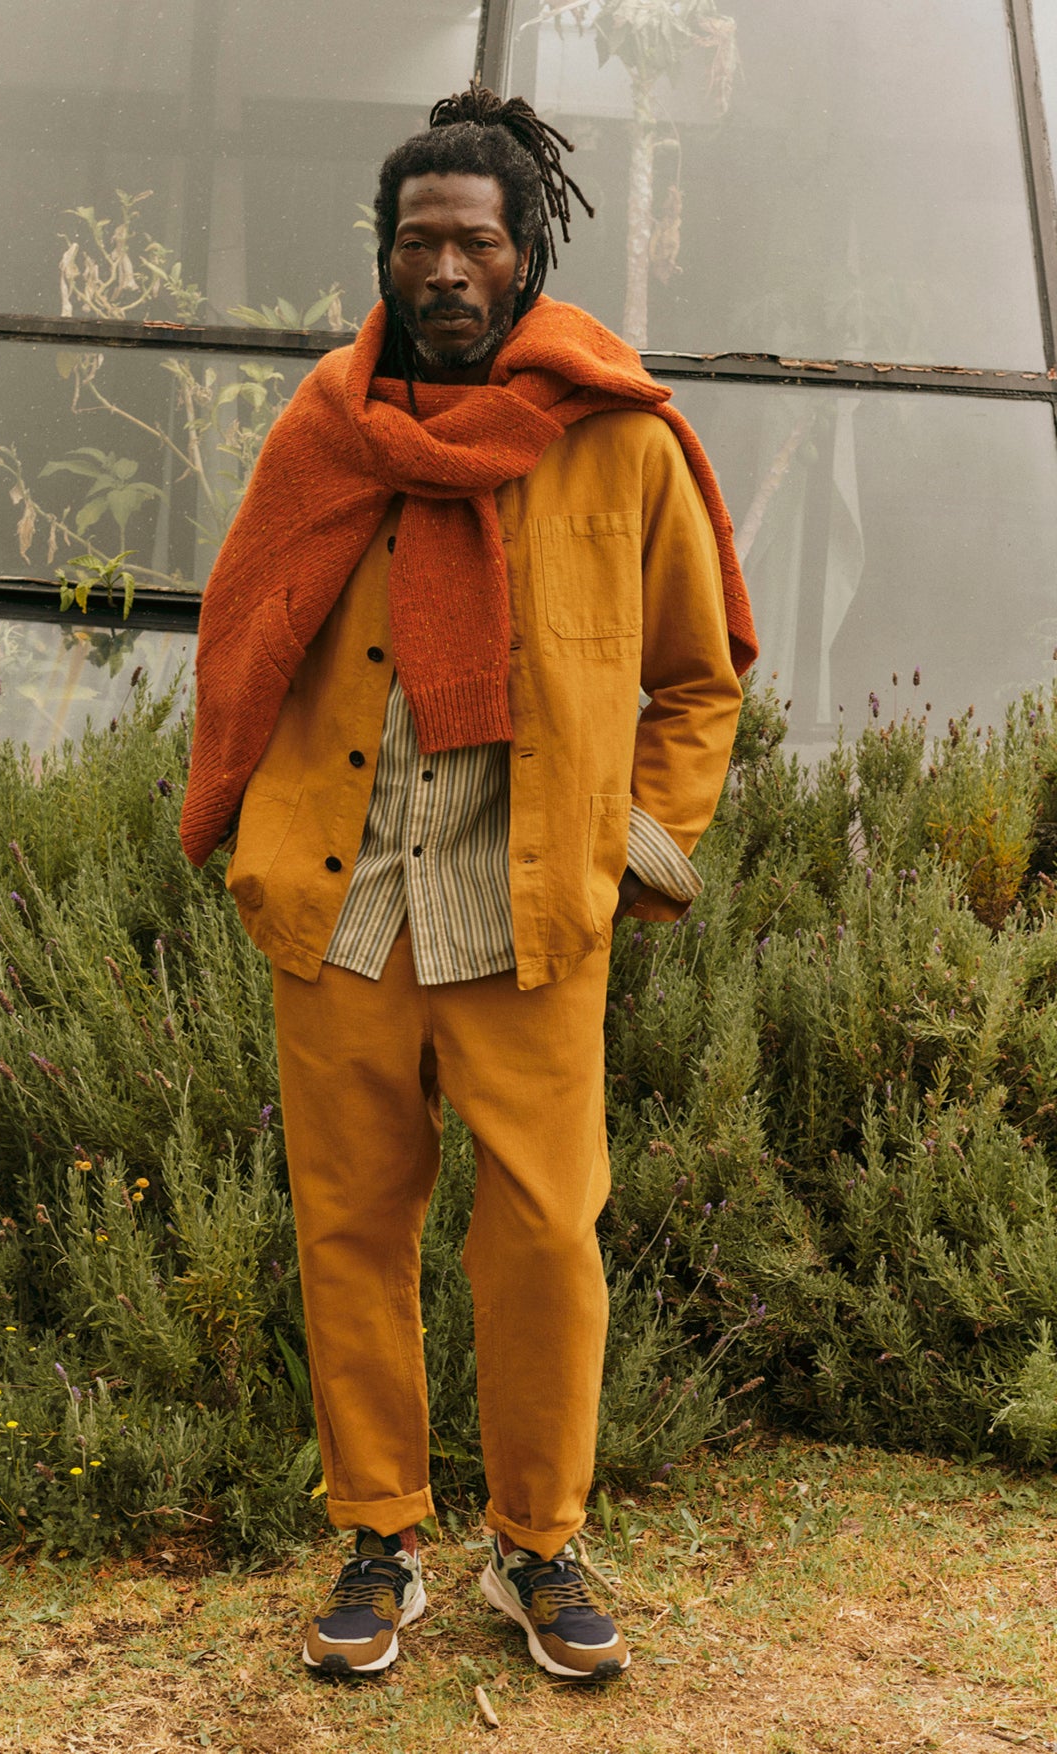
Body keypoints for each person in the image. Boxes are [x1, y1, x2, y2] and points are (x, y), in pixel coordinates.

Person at [177, 84, 757, 1682]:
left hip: (529, 915)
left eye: (475, 242)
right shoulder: (320, 435)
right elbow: (243, 635)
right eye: (418, 239)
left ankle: (541, 1546)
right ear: (384, 254)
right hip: (346, 899)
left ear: (526, 257)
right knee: (349, 1225)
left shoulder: (618, 442)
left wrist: (638, 846)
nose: (445, 267)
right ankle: (378, 1535)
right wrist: (240, 818)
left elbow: (699, 681)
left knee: (548, 1231)